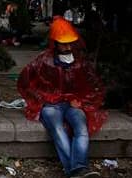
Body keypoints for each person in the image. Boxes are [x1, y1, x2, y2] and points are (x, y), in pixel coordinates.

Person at [17, 16, 107, 178]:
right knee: (58, 129)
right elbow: (25, 81)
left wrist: (81, 101)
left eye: (69, 43)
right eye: (63, 43)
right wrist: (44, 98)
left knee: (81, 128)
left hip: (73, 105)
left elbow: (93, 86)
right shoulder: (44, 61)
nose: (67, 47)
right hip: (51, 106)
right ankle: (77, 170)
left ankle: (76, 169)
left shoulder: (80, 62)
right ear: (55, 42)